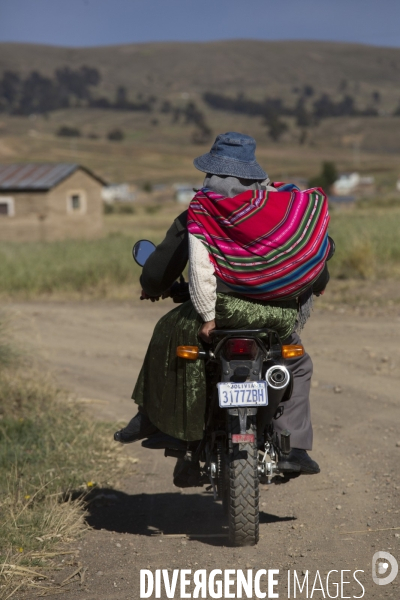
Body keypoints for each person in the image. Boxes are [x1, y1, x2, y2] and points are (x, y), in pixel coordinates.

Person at [114, 132, 331, 479]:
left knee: (173, 339)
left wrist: (160, 291)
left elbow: (178, 268)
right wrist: (308, 286)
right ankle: (297, 447)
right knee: (298, 364)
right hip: (276, 316)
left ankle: (158, 421)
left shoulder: (202, 211)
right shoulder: (280, 209)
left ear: (211, 173)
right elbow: (311, 259)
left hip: (221, 310)